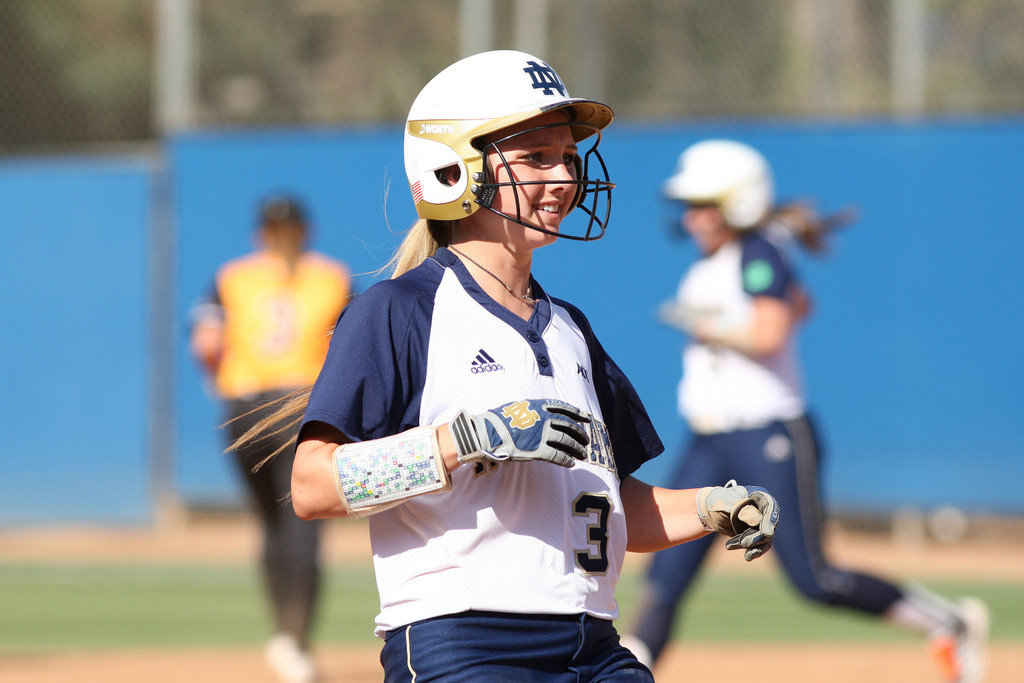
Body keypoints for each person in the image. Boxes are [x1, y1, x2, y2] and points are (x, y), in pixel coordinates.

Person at [234, 51, 780, 682]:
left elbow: (604, 501)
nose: (564, 178)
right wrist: (464, 440)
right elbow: (313, 486)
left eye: (567, 158)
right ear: (456, 169)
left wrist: (713, 506)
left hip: (593, 648)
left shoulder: (570, 327)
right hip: (466, 643)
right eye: (536, 157)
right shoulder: (401, 311)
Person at [618, 139, 990, 683]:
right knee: (667, 575)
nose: (693, 217)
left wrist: (706, 325)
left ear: (738, 203)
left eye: (704, 204)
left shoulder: (758, 249)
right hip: (711, 438)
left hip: (769, 431)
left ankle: (950, 621)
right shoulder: (725, 258)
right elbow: (798, 305)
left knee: (815, 579)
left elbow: (770, 331)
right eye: (690, 205)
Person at [189, 195, 352, 683]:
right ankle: (294, 640)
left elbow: (207, 343)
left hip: (245, 406)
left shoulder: (234, 276)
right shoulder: (333, 277)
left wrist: (223, 379)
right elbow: (351, 349)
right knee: (301, 522)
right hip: (303, 406)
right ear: (306, 230)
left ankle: (285, 637)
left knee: (270, 522)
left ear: (260, 233)